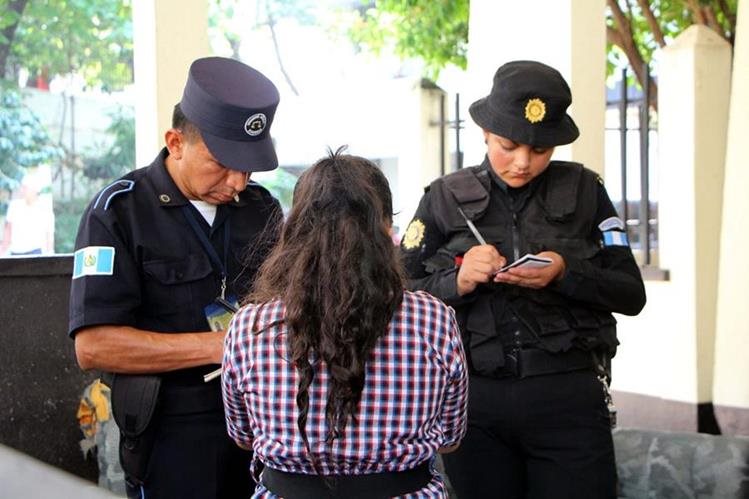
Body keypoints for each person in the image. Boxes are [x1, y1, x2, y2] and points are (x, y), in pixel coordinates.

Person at [400, 60, 647, 499]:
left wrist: (566, 273)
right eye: (508, 145)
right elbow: (395, 296)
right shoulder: (443, 197)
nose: (522, 162)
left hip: (567, 399)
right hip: (474, 405)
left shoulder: (587, 190)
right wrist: (455, 281)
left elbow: (631, 293)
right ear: (485, 132)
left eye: (540, 150)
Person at [68, 56, 283, 499]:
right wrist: (220, 345)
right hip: (170, 429)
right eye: (224, 164)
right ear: (176, 142)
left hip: (260, 423)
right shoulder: (118, 212)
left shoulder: (261, 210)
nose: (238, 182)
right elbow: (94, 346)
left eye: (249, 168)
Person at [222, 149, 469, 499]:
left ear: (295, 231)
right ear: (386, 229)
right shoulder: (433, 320)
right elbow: (448, 438)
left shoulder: (251, 326)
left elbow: (243, 436)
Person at [1, 171, 55, 256]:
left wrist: (50, 254)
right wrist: (2, 251)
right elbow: (8, 231)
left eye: (25, 188)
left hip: (35, 252)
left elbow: (49, 235)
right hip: (15, 252)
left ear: (34, 189)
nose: (22, 190)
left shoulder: (44, 209)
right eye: (22, 187)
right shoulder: (14, 206)